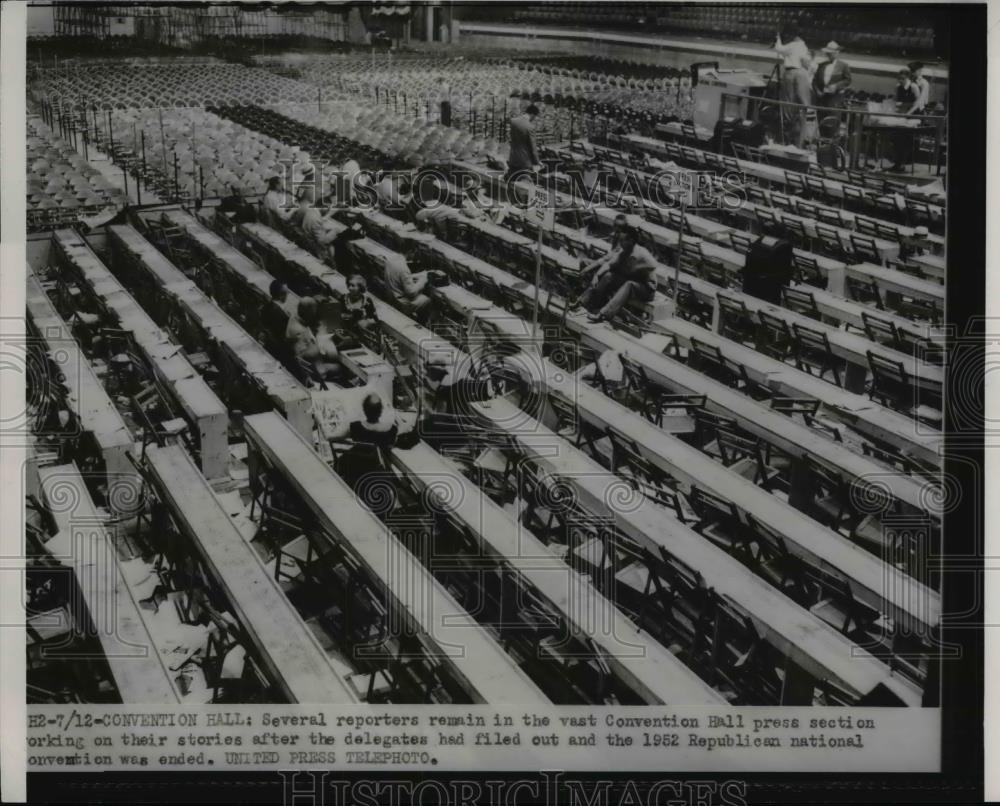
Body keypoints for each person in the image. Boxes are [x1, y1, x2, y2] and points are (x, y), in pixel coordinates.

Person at [575, 226, 658, 323]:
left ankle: (603, 314)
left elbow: (653, 265)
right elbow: (609, 264)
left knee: (629, 284)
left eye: (622, 240)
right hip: (633, 279)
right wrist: (597, 276)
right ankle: (588, 304)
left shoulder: (642, 254)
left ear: (631, 241)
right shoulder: (624, 251)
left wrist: (637, 269)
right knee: (608, 276)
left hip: (646, 288)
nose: (620, 243)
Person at [339, 393, 398, 495]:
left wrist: (318, 419)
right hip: (376, 474)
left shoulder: (355, 427)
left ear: (364, 410)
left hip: (355, 472)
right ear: (381, 411)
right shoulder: (391, 430)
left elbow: (330, 436)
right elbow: (394, 444)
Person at [285, 296, 342, 384]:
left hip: (308, 362)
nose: (315, 313)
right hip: (314, 370)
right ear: (309, 313)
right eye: (314, 311)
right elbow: (314, 353)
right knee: (340, 367)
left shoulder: (295, 316)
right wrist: (325, 342)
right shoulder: (300, 332)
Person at [774, 26, 813, 147]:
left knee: (788, 106)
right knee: (803, 107)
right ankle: (799, 141)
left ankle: (787, 140)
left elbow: (779, 49)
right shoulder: (804, 47)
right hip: (802, 73)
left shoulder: (792, 45)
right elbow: (808, 63)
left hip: (791, 73)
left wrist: (778, 38)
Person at [384, 251, 432, 321]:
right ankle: (420, 323)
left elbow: (400, 276)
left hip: (391, 296)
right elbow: (411, 293)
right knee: (426, 300)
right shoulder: (404, 268)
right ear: (410, 251)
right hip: (401, 303)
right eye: (414, 252)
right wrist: (422, 281)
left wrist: (417, 275)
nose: (414, 255)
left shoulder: (391, 259)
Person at [889, 68, 920, 172]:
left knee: (906, 139)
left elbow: (917, 104)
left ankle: (902, 164)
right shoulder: (898, 87)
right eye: (899, 79)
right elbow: (895, 100)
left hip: (913, 116)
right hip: (902, 115)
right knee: (896, 138)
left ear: (907, 78)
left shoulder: (913, 87)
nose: (900, 81)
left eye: (902, 79)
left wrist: (908, 114)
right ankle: (897, 163)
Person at [811, 42, 852, 110]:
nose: (829, 55)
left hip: (835, 99)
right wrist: (817, 91)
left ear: (837, 53)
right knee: (820, 117)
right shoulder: (821, 65)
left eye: (831, 53)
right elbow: (814, 81)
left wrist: (836, 86)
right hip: (821, 99)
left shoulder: (843, 66)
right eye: (828, 53)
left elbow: (848, 80)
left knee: (833, 118)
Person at [507, 103, 542, 178]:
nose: (534, 119)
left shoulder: (513, 121)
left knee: (512, 181)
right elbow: (533, 148)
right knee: (524, 184)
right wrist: (537, 162)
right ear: (532, 114)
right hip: (524, 163)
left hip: (513, 159)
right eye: (535, 117)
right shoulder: (530, 127)